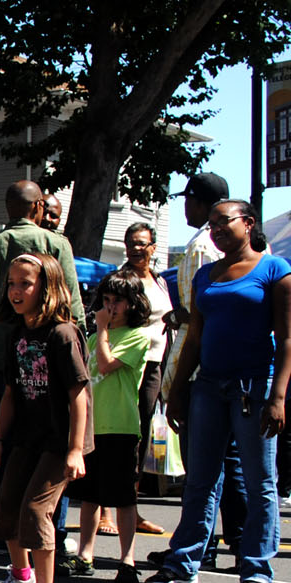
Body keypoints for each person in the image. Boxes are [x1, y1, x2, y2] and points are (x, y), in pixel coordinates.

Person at [147, 200, 290, 583]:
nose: (216, 230)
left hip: (254, 387)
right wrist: (176, 392)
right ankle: (182, 563)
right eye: (211, 224)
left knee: (260, 481)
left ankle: (256, 570)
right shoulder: (207, 274)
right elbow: (194, 337)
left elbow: (288, 340)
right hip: (207, 386)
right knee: (200, 479)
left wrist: (277, 397)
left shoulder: (275, 270)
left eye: (223, 222)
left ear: (247, 223)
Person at [0, 180, 85, 540]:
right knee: (44, 446)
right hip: (43, 366)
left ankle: (2, 528)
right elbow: (71, 306)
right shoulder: (53, 244)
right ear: (38, 207)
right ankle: (44, 534)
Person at [0, 253, 90, 583]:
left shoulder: (62, 334)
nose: (15, 290)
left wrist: (76, 449)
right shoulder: (17, 335)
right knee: (6, 506)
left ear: (47, 287)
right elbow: (10, 393)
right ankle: (21, 579)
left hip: (60, 441)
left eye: (25, 283)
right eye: (11, 283)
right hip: (28, 436)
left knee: (36, 510)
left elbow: (79, 394)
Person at [157, 172, 243, 570]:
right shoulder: (227, 246)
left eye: (187, 200)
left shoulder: (203, 246)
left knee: (205, 466)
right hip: (218, 365)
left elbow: (203, 310)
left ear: (199, 202)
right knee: (225, 462)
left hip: (200, 369)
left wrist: (179, 315)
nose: (184, 209)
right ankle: (221, 541)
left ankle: (203, 545)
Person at [64, 270, 151, 583]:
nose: (110, 307)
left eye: (118, 302)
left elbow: (104, 364)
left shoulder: (137, 336)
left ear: (132, 305)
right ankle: (85, 554)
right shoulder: (90, 338)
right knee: (90, 496)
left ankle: (126, 560)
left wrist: (101, 329)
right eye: (106, 300)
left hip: (121, 427)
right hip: (93, 427)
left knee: (124, 497)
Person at [118, 221, 171, 536]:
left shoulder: (160, 281)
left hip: (154, 365)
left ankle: (131, 510)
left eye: (143, 243)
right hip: (126, 364)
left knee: (140, 438)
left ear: (153, 247)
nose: (138, 248)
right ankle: (105, 512)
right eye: (132, 242)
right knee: (117, 437)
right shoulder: (120, 280)